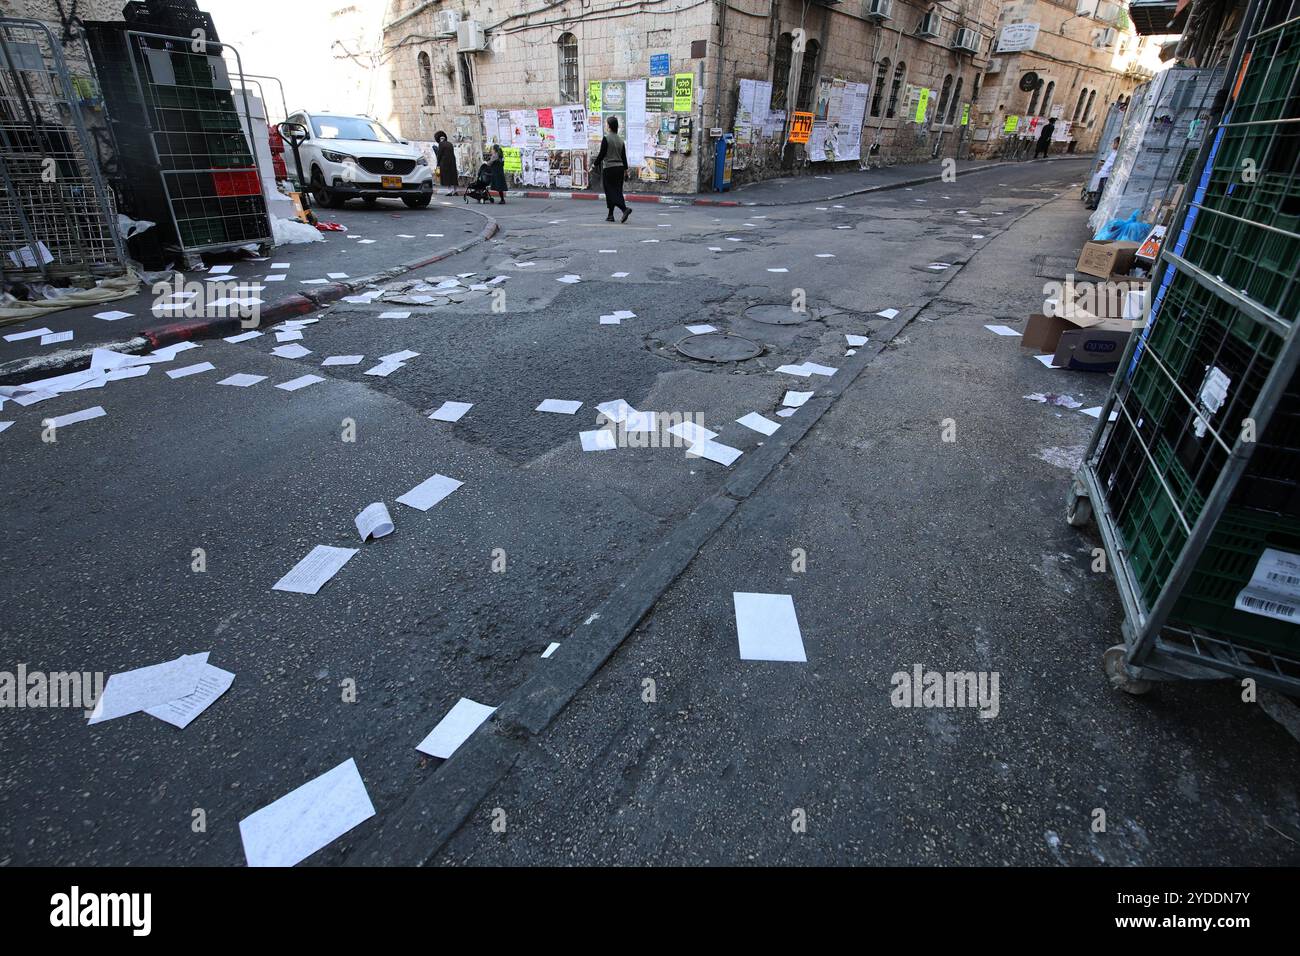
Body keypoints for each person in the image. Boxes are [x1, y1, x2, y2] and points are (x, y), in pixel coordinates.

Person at [593, 116, 631, 223]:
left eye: (606, 124)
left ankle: (624, 209)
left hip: (609, 169)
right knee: (616, 191)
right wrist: (626, 171)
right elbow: (624, 157)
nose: (606, 126)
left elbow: (602, 154)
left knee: (610, 192)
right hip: (619, 169)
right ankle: (610, 215)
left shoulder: (606, 138)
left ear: (609, 126)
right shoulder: (620, 140)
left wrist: (594, 165)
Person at [1087, 136, 1120, 210]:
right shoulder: (1113, 152)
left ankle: (1096, 205)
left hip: (1107, 175)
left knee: (1101, 191)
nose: (1113, 145)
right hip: (1103, 174)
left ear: (1119, 144)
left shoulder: (1117, 154)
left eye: (1115, 143)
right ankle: (1094, 204)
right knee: (1099, 190)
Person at [434, 131, 458, 195]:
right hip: (452, 161)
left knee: (446, 177)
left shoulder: (441, 144)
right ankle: (455, 191)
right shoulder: (450, 143)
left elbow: (439, 154)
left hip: (445, 162)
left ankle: (449, 191)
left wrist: (438, 163)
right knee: (453, 176)